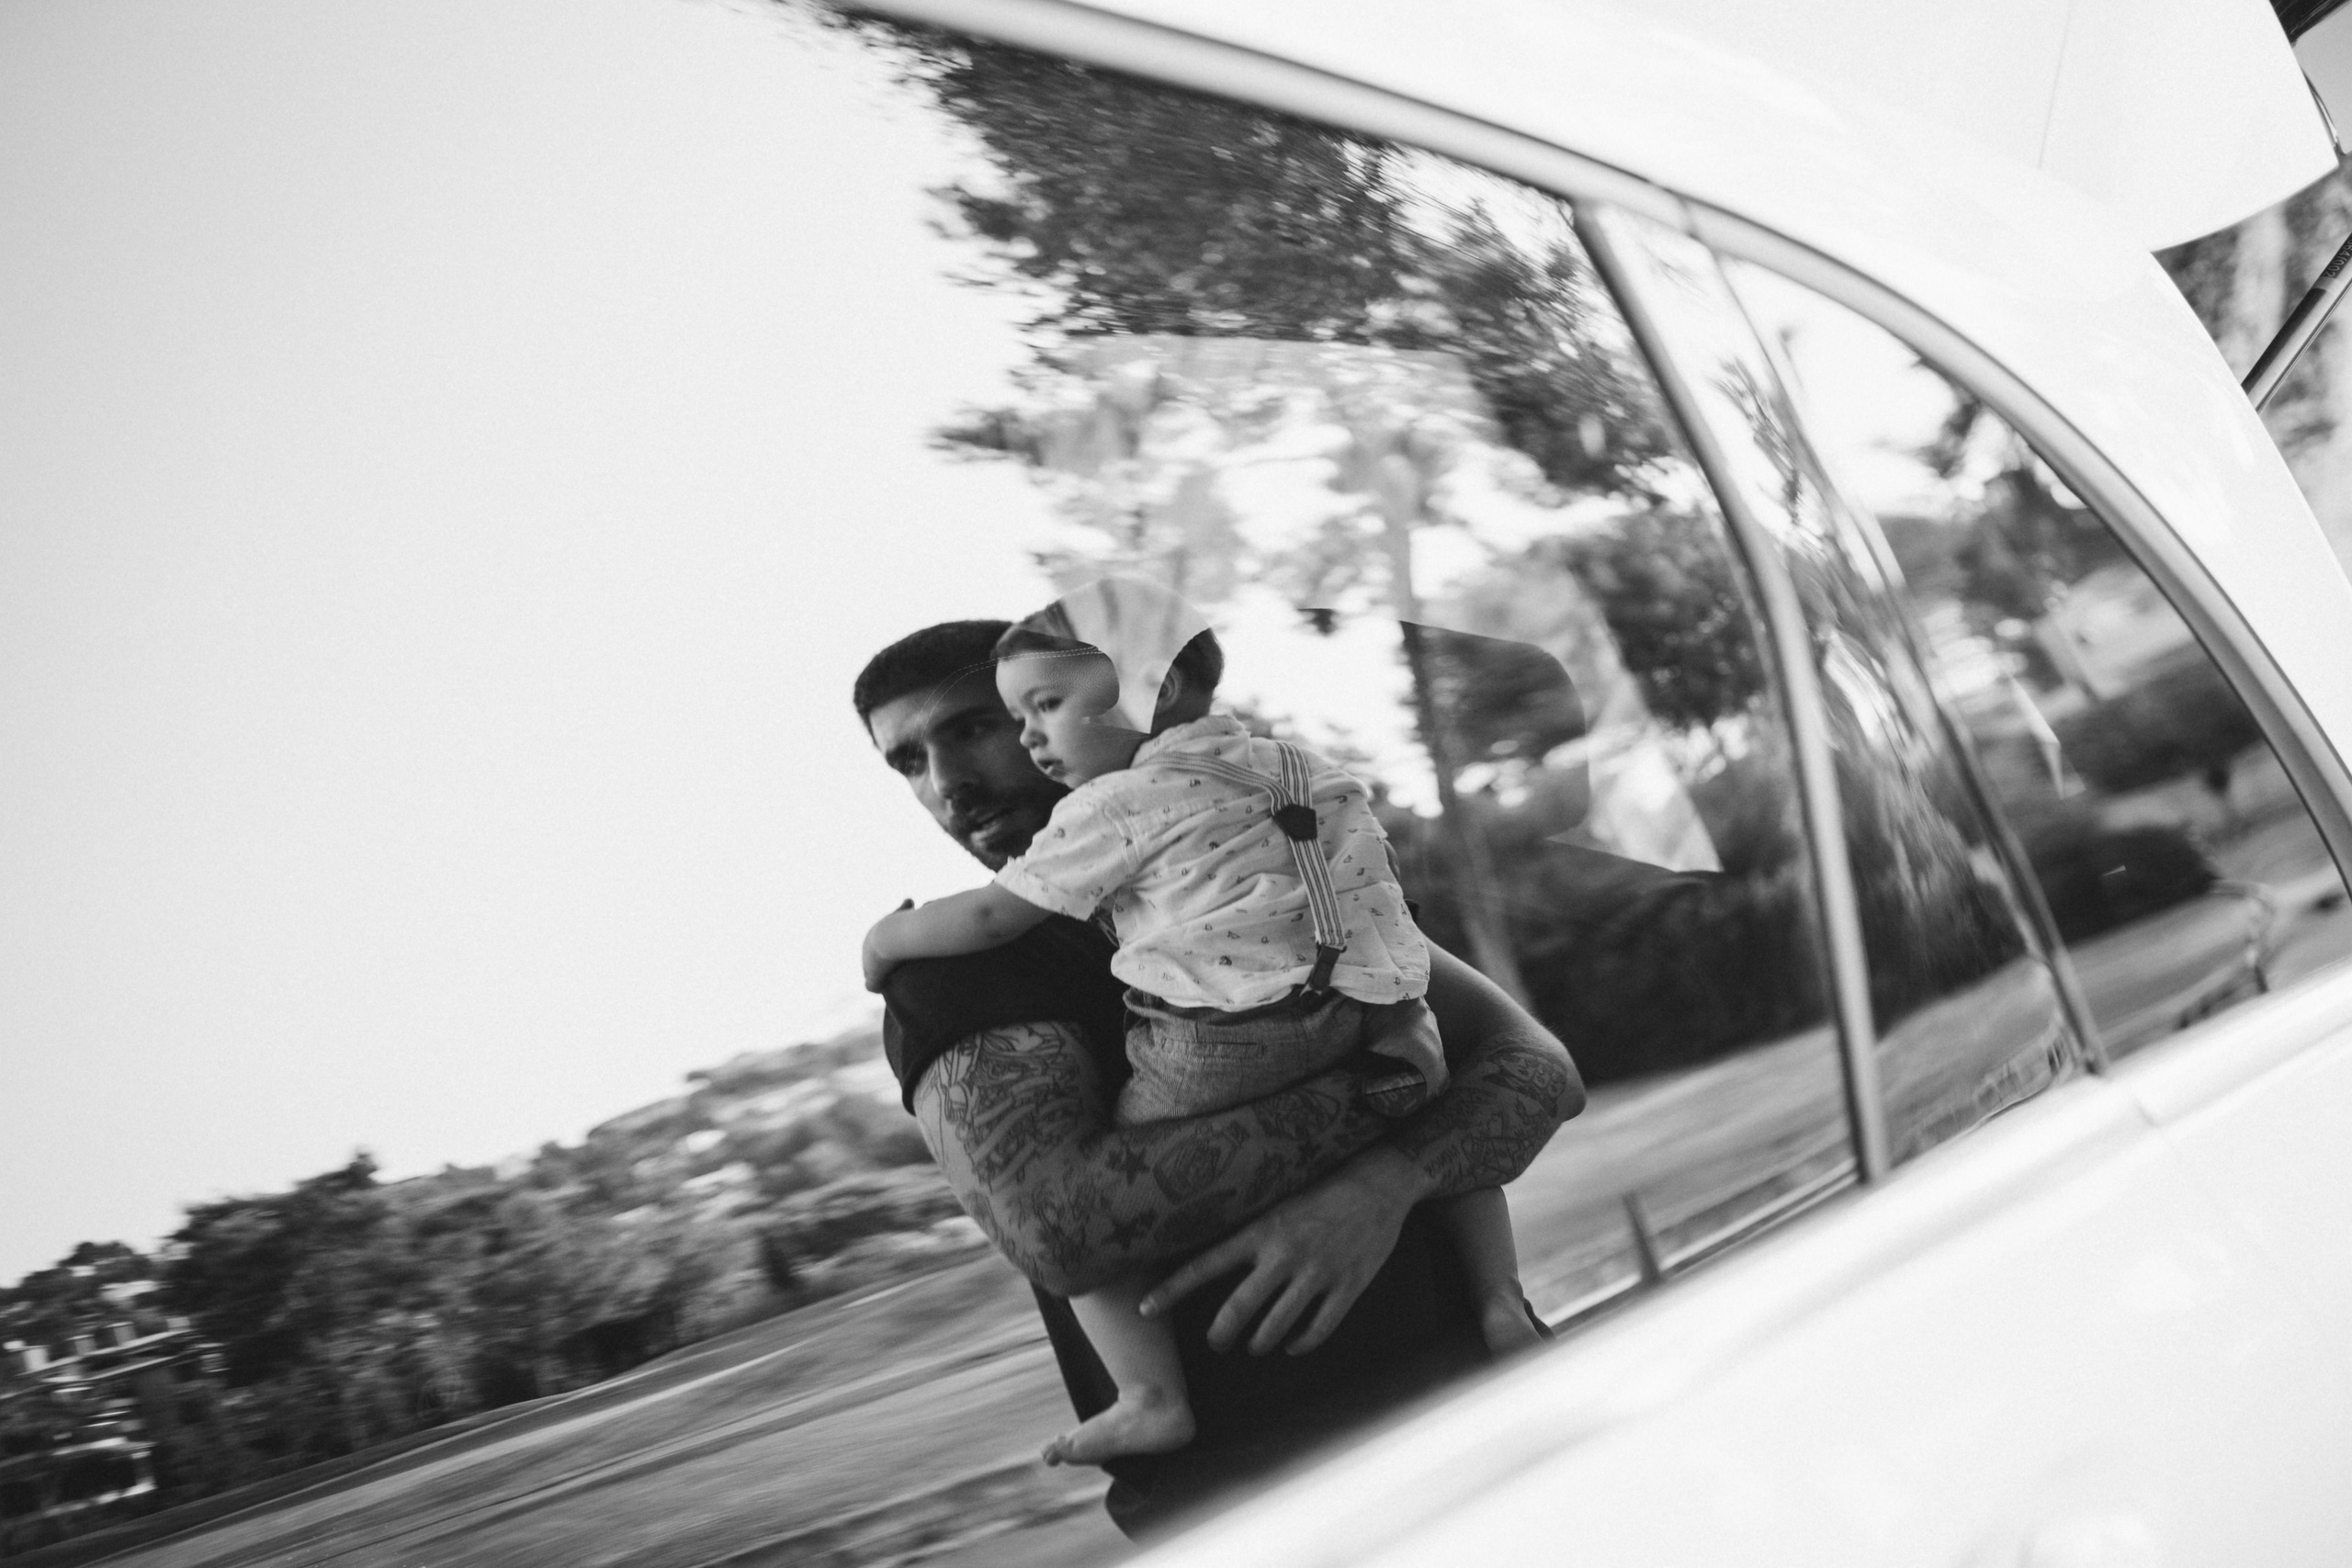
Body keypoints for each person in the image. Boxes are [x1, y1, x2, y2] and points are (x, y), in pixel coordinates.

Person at [854, 616, 1580, 1537]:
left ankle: (1498, 1297)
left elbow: (1541, 1070)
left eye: (972, 728)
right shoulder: (961, 974)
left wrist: (1389, 1185)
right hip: (1263, 1504)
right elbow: (1062, 1231)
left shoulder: (1249, 875)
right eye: (908, 764)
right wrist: (1387, 1101)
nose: (946, 783)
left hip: (1507, 1416)